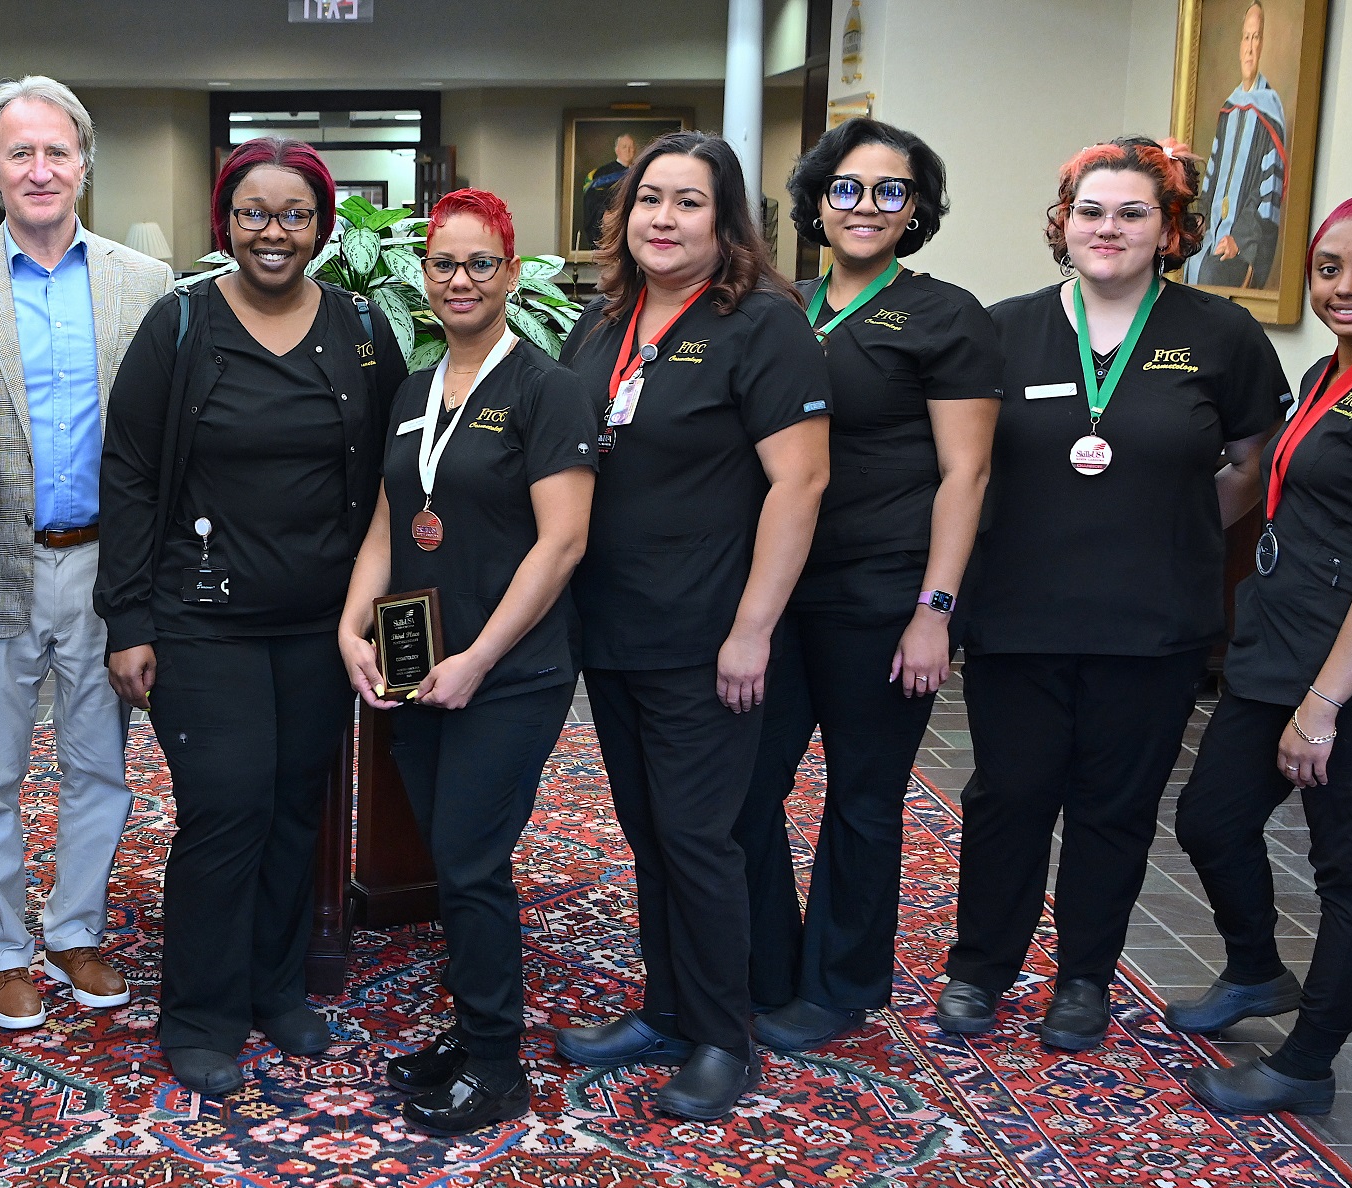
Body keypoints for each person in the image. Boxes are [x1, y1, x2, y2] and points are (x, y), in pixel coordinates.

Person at [936, 137, 1285, 1051]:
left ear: (1170, 230)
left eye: (1134, 212)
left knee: (1112, 809)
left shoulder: (1221, 333)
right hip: (1018, 614)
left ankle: (1083, 979)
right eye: (1090, 210)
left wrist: (1172, 522)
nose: (1109, 228)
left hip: (1152, 622)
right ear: (1062, 223)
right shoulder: (1002, 328)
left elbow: (1252, 462)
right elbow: (962, 465)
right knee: (1008, 797)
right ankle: (978, 971)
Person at [97, 136, 406, 1096]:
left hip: (324, 625)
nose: (274, 232)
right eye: (254, 214)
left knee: (292, 809)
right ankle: (200, 1012)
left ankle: (275, 987)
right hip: (202, 618)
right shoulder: (179, 324)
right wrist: (129, 619)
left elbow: (397, 481)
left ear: (322, 224)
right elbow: (131, 475)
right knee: (226, 807)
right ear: (224, 222)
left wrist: (385, 618)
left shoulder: (359, 328)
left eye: (295, 214)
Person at [551, 131, 832, 1121]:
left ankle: (723, 1035)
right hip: (614, 629)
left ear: (726, 222)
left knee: (701, 838)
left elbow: (801, 483)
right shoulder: (602, 321)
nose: (663, 220)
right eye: (648, 200)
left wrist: (754, 626)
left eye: (688, 203)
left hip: (710, 633)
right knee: (651, 835)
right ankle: (665, 1005)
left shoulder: (764, 322)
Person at [1172, 195, 1352, 1115]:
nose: (1346, 286)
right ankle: (1257, 972)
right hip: (1277, 653)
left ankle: (1306, 1062)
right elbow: (1263, 489)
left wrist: (1323, 707)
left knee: (1350, 874)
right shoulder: (1330, 375)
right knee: (1210, 822)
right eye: (1330, 266)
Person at [0, 76, 173, 1032]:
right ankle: (4, 948)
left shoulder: (146, 286)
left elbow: (160, 441)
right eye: (20, 153)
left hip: (108, 568)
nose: (40, 169)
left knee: (100, 766)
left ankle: (74, 930)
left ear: (85, 164)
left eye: (56, 151)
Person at [336, 188, 595, 1134]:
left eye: (480, 263)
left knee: (474, 861)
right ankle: (466, 1025)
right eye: (443, 263)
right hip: (413, 662)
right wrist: (349, 627)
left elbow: (561, 544)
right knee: (449, 858)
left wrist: (480, 658)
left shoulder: (548, 388)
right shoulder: (414, 389)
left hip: (507, 671)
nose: (459, 279)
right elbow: (388, 524)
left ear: (511, 275)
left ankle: (495, 1064)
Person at [740, 119, 1001, 1053]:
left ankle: (841, 984)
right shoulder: (779, 305)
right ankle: (767, 961)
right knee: (744, 782)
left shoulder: (945, 314)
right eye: (845, 188)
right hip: (773, 589)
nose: (864, 206)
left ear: (916, 210)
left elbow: (964, 476)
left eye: (890, 191)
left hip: (881, 592)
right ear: (814, 201)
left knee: (860, 792)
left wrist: (934, 612)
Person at [1189, 1, 1288, 290]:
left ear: (1264, 45)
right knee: (1190, 264)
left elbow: (1267, 195)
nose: (1249, 47)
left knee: (1210, 272)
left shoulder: (1270, 113)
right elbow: (1212, 178)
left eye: (1256, 38)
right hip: (1212, 234)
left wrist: (1240, 242)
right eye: (1246, 37)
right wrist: (1202, 219)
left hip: (1243, 242)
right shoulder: (1229, 109)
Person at [579, 132, 639, 252]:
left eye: (631, 147)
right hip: (611, 223)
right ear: (617, 150)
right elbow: (592, 199)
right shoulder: (602, 173)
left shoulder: (639, 172)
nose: (628, 150)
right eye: (624, 147)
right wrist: (603, 213)